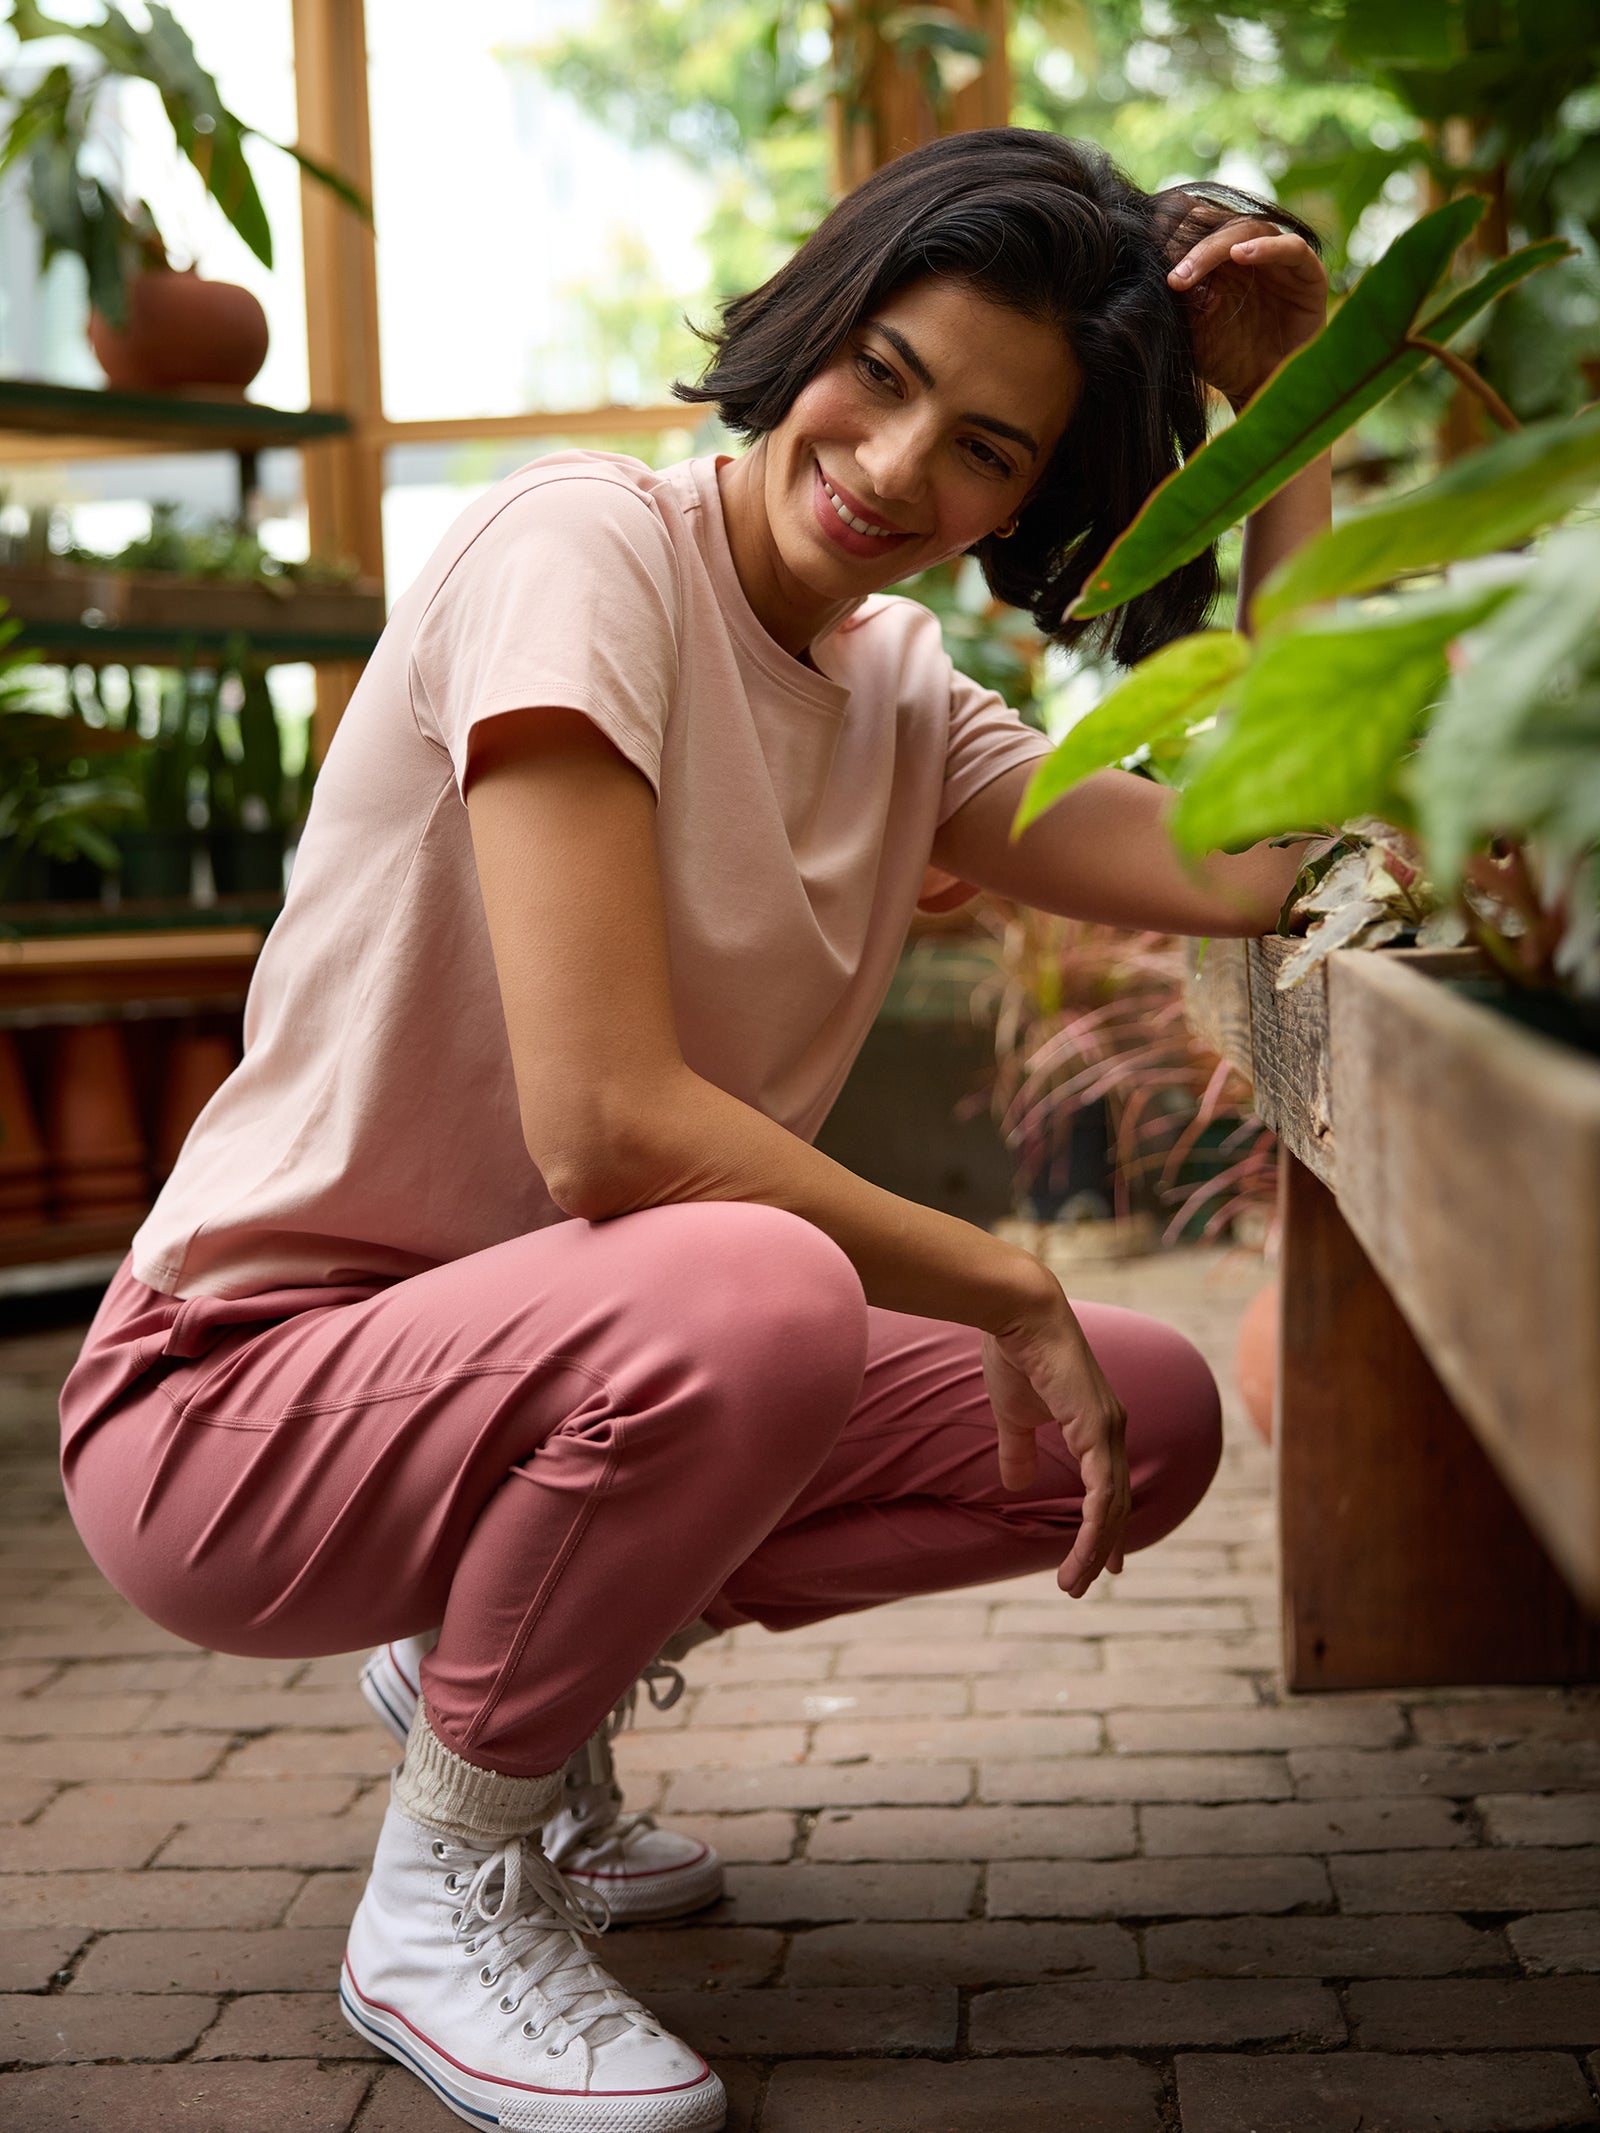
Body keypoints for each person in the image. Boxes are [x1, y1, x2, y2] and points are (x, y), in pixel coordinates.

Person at [58, 128, 1329, 2133]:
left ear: (1036, 495)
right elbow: (605, 1130)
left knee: (1140, 1415)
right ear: (811, 323)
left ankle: (493, 1669)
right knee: (753, 1282)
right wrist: (999, 1271)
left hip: (529, 1366)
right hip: (228, 1408)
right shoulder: (575, 550)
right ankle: (443, 1882)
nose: (902, 470)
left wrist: (1290, 416)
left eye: (988, 451)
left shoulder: (900, 694)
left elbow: (1263, 849)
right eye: (886, 375)